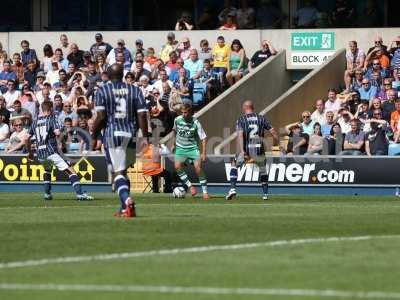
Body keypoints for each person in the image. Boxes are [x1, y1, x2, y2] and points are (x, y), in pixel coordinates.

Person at [92, 63, 149, 218]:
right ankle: (125, 208)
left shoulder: (103, 90)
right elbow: (142, 115)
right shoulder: (135, 90)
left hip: (112, 135)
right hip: (130, 135)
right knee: (123, 172)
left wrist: (93, 135)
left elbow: (101, 117)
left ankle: (127, 199)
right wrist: (145, 137)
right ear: (123, 74)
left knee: (117, 173)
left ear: (108, 76)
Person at [25, 101, 93, 201]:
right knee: (70, 170)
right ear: (50, 109)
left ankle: (47, 194)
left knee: (47, 171)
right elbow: (57, 132)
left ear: (42, 110)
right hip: (51, 151)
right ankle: (80, 194)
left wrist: (30, 153)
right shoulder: (52, 119)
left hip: (40, 153)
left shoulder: (35, 122)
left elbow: (26, 138)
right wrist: (62, 142)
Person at [226, 100, 280, 201]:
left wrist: (242, 150)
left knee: (234, 164)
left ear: (244, 108)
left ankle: (233, 188)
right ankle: (265, 194)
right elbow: (273, 131)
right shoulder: (261, 118)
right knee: (263, 170)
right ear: (253, 107)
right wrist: (278, 143)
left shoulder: (241, 119)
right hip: (259, 150)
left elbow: (240, 135)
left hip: (247, 149)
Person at [171, 103, 208, 199]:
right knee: (177, 167)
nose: (184, 114)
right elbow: (174, 131)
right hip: (180, 148)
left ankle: (205, 192)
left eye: (186, 112)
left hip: (193, 148)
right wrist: (173, 144)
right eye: (182, 112)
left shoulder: (196, 122)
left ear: (190, 112)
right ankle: (190, 186)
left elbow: (203, 138)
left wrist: (204, 153)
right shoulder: (177, 120)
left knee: (198, 168)